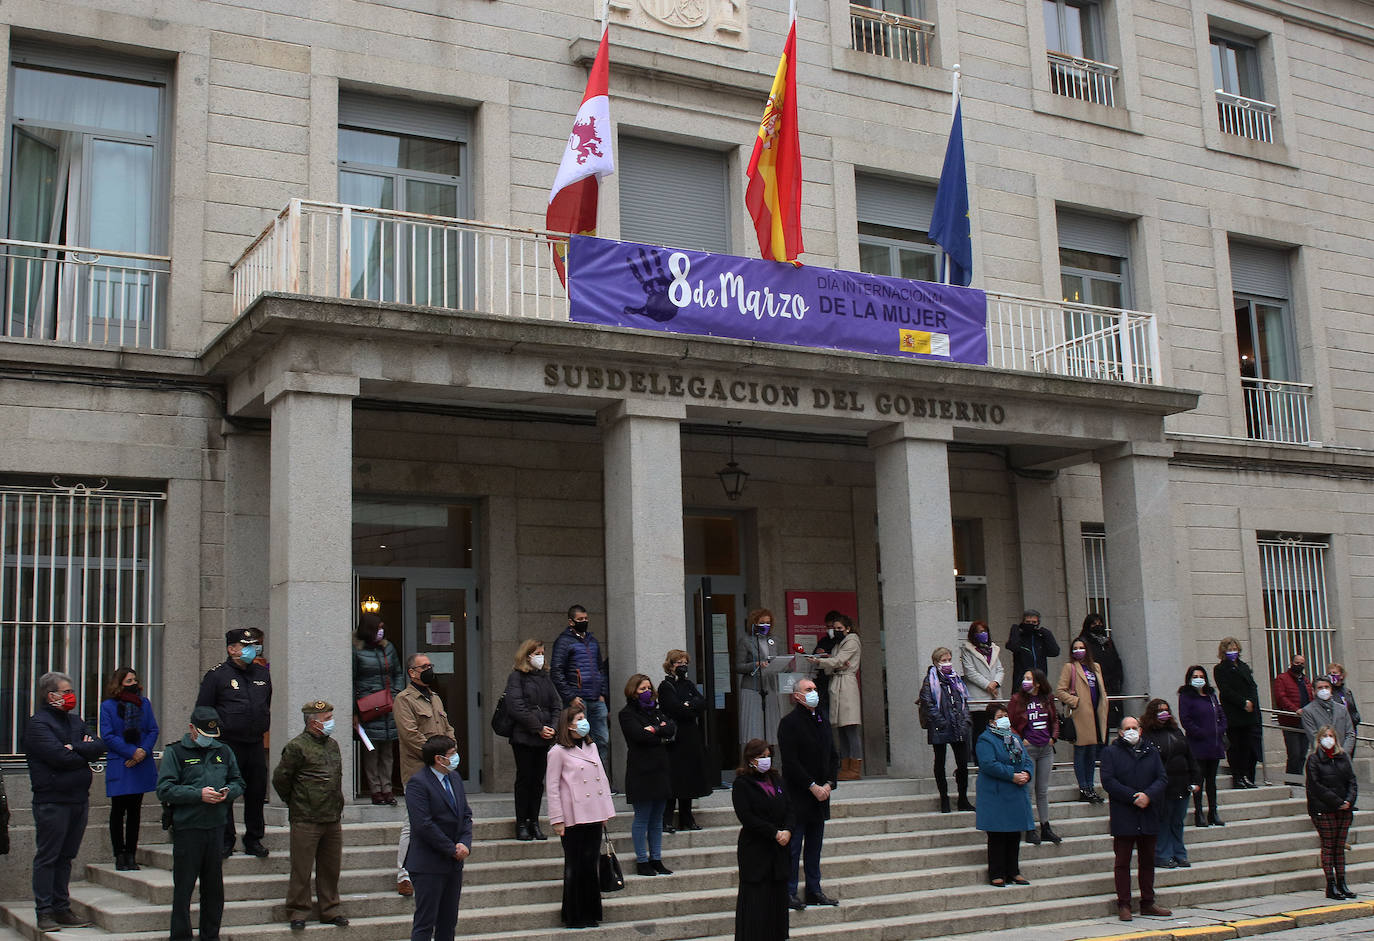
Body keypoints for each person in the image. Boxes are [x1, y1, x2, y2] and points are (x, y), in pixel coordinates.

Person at [25, 670, 106, 932]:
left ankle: (62, 907)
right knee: (48, 857)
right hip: (52, 801)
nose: (71, 696)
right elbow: (60, 758)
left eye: (71, 691)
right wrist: (78, 750)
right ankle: (44, 911)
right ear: (51, 696)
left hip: (78, 799)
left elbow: (98, 745)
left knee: (66, 856)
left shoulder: (75, 721)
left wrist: (77, 747)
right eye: (66, 692)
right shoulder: (38, 724)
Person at [157, 706, 245, 941]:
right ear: (192, 729)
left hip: (216, 827)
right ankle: (181, 936)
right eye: (204, 734)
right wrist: (198, 794)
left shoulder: (224, 751)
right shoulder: (176, 752)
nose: (209, 739)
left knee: (214, 889)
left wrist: (229, 792)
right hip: (188, 828)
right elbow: (165, 789)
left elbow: (238, 781)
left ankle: (210, 935)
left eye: (212, 735)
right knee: (184, 888)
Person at [196, 626, 272, 858]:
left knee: (256, 792)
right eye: (245, 646)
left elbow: (265, 704)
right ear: (232, 649)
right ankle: (225, 840)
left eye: (252, 646)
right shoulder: (217, 675)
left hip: (254, 742)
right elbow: (202, 711)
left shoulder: (262, 674)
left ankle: (254, 838)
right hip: (227, 744)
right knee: (226, 792)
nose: (251, 650)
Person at [272, 700, 348, 930]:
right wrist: (295, 802)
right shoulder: (296, 747)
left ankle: (330, 909)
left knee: (330, 868)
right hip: (306, 817)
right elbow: (280, 779)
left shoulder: (332, 745)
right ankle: (298, 911)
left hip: (331, 816)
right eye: (327, 719)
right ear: (313, 723)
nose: (331, 723)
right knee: (302, 868)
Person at [545, 705, 615, 930]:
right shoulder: (557, 751)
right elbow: (553, 787)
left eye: (584, 717)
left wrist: (605, 811)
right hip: (572, 815)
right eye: (579, 718)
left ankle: (591, 912)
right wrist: (557, 819)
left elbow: (601, 779)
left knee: (590, 863)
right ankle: (574, 914)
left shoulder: (591, 745)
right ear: (568, 724)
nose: (584, 722)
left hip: (594, 813)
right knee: (575, 865)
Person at [393, 652, 455, 897]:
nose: (430, 669)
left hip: (441, 769)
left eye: (431, 665)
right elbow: (410, 735)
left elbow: (447, 728)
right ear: (412, 672)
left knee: (439, 820)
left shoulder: (436, 698)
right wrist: (436, 757)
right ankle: (403, 874)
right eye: (424, 666)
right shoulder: (404, 699)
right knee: (413, 823)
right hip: (418, 771)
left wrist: (451, 750)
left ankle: (432, 867)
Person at [776, 677, 840, 911]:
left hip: (822, 794)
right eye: (808, 689)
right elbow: (791, 762)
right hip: (799, 794)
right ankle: (789, 891)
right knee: (794, 847)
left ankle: (814, 889)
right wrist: (812, 785)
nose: (813, 692)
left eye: (814, 688)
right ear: (797, 696)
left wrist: (829, 784)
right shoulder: (789, 723)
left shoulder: (822, 719)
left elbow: (833, 755)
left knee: (815, 847)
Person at [1099, 717, 1171, 922]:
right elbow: (1109, 781)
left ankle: (1148, 902)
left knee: (1147, 860)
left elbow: (1162, 778)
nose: (1131, 731)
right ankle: (1124, 904)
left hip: (1148, 812)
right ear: (1120, 732)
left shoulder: (1151, 751)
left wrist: (1148, 795)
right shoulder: (1111, 752)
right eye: (1127, 728)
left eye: (1134, 728)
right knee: (1122, 862)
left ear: (1140, 730)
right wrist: (1132, 797)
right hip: (1125, 814)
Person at [404, 735, 473, 941]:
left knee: (448, 922)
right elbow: (423, 824)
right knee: (425, 922)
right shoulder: (418, 783)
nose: (456, 758)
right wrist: (451, 849)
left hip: (453, 865)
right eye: (452, 754)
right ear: (438, 759)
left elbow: (466, 815)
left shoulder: (454, 778)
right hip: (428, 864)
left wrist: (464, 843)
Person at [99, 666, 160, 871]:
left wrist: (142, 751)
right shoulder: (108, 706)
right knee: (118, 811)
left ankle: (131, 854)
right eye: (128, 681)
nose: (133, 684)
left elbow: (152, 729)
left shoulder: (144, 703)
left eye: (134, 680)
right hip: (121, 762)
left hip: (140, 762)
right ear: (119, 684)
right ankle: (119, 854)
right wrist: (131, 752)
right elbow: (107, 735)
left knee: (135, 811)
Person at [732, 738, 792, 941]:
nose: (766, 761)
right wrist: (774, 833)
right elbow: (747, 817)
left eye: (768, 757)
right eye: (761, 757)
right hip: (756, 851)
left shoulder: (777, 780)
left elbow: (790, 808)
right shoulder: (742, 784)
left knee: (778, 903)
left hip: (779, 852)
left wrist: (788, 831)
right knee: (757, 904)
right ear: (750, 759)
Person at [619, 673, 677, 875]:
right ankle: (642, 860)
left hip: (660, 769)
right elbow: (638, 736)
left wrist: (654, 730)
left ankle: (656, 858)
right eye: (642, 689)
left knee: (657, 818)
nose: (647, 692)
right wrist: (658, 733)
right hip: (641, 771)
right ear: (633, 691)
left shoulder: (657, 711)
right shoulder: (627, 713)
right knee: (642, 817)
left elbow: (670, 729)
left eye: (648, 689)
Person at [504, 638, 561, 841]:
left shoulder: (545, 678)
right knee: (525, 779)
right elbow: (516, 707)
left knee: (538, 781)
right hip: (524, 736)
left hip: (544, 737)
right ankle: (521, 822)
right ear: (527, 655)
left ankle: (534, 821)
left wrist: (552, 728)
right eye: (537, 653)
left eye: (542, 652)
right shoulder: (517, 677)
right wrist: (538, 728)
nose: (541, 656)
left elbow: (556, 704)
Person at [975, 703, 1035, 887]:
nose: (1004, 719)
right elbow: (988, 764)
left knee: (1014, 834)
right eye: (1000, 716)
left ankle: (1013, 871)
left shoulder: (1014, 737)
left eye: (1005, 715)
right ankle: (997, 873)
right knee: (998, 835)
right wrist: (1011, 775)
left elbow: (1026, 759)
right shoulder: (985, 739)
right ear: (992, 721)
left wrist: (1026, 773)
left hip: (1016, 792)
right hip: (997, 793)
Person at [1140, 698, 1199, 870]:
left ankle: (1179, 854)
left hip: (1182, 783)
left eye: (1166, 710)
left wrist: (1195, 779)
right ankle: (1163, 854)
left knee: (1177, 821)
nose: (1164, 713)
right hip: (1163, 787)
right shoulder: (1148, 735)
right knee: (1164, 821)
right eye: (1159, 710)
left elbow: (1190, 756)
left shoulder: (1176, 732)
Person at [352, 612, 404, 805]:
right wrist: (354, 710)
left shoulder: (388, 648)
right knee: (372, 749)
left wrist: (396, 694)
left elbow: (397, 672)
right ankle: (375, 790)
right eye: (378, 627)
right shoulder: (356, 650)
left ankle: (388, 789)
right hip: (368, 706)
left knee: (388, 750)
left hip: (388, 704)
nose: (381, 631)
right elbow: (352, 679)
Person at [658, 649, 713, 833]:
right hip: (675, 738)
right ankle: (666, 819)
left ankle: (687, 818)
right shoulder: (666, 686)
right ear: (670, 665)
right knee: (674, 778)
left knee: (689, 778)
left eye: (684, 662)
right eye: (678, 663)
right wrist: (688, 706)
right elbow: (674, 708)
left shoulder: (688, 684)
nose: (682, 666)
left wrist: (689, 705)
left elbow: (702, 702)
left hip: (691, 736)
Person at [551, 605, 610, 775]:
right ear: (571, 621)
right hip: (577, 701)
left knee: (602, 740)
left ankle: (601, 779)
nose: (584, 622)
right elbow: (556, 671)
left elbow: (600, 669)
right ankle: (581, 778)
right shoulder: (563, 642)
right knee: (576, 739)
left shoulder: (592, 641)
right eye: (580, 620)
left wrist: (602, 694)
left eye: (586, 619)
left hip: (596, 699)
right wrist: (570, 697)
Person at [1305, 724, 1358, 900]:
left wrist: (1349, 801)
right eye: (1325, 736)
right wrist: (1337, 802)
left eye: (1331, 736)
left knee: (1339, 847)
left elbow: (1352, 780)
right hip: (1324, 808)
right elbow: (1315, 785)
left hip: (1344, 808)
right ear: (1319, 739)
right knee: (1329, 846)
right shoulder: (1314, 760)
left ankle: (1342, 882)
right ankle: (1331, 885)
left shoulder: (1342, 757)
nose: (1328, 739)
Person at [917, 646, 973, 814]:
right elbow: (928, 703)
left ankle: (963, 798)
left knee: (963, 764)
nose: (947, 663)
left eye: (949, 659)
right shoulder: (930, 680)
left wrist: (966, 720)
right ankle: (944, 799)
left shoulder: (956, 679)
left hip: (958, 726)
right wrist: (941, 722)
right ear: (936, 662)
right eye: (943, 660)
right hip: (940, 727)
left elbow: (963, 702)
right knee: (939, 763)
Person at [1009, 668, 1061, 844]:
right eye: (1024, 678)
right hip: (1028, 749)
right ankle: (1029, 828)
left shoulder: (1047, 698)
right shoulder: (1017, 700)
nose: (1025, 681)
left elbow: (1054, 720)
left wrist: (1053, 737)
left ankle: (1045, 826)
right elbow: (1010, 724)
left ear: (1038, 683)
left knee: (1043, 790)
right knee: (1028, 790)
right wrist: (1021, 740)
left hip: (1045, 749)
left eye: (1029, 678)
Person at [1056, 636, 1109, 803]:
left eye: (1081, 647)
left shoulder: (1096, 667)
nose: (1078, 651)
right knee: (1081, 751)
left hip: (1095, 714)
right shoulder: (1070, 667)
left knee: (1092, 752)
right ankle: (1084, 787)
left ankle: (1091, 786)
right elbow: (1060, 691)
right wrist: (1075, 701)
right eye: (1075, 648)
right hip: (1080, 714)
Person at [812, 614, 863, 780]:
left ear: (848, 628)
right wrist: (832, 662)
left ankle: (854, 767)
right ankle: (845, 766)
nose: (836, 631)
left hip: (846, 685)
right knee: (841, 727)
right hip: (837, 682)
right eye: (834, 628)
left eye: (840, 628)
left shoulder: (852, 641)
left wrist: (823, 662)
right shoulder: (838, 643)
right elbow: (835, 663)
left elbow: (838, 660)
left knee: (850, 727)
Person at [1176, 665, 1227, 827]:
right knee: (1199, 780)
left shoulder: (1211, 695)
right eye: (1195, 676)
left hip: (1214, 743)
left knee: (1212, 781)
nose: (1199, 679)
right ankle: (1199, 812)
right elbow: (1185, 719)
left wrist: (1220, 729)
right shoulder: (1186, 696)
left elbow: (1221, 714)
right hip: (1197, 744)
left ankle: (1213, 812)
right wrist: (1200, 732)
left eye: (1201, 676)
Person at [1213, 637, 1262, 788]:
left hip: (1249, 714)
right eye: (1229, 650)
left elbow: (1253, 686)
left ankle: (1246, 775)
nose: (1232, 652)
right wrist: (1243, 702)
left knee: (1247, 747)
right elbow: (1226, 691)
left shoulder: (1244, 667)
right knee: (1236, 747)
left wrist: (1251, 702)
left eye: (1235, 649)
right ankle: (1237, 776)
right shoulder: (1220, 669)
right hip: (1234, 713)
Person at [737, 607, 782, 748]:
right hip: (752, 688)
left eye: (768, 623)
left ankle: (771, 760)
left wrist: (782, 665)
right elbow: (738, 666)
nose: (765, 626)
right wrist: (755, 664)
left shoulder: (774, 640)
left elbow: (777, 659)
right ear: (754, 623)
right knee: (754, 729)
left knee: (771, 729)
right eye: (762, 623)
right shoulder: (746, 641)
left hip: (770, 687)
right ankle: (755, 760)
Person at [959, 620, 1004, 748]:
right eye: (979, 632)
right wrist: (988, 685)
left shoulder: (993, 649)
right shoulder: (967, 650)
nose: (982, 634)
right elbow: (970, 672)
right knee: (980, 731)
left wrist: (995, 683)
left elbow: (1000, 669)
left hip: (994, 697)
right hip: (979, 698)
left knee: (997, 731)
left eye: (984, 631)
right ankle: (980, 761)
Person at [1081, 613, 1125, 729]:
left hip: (1111, 683)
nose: (1097, 626)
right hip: (1093, 682)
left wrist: (1118, 678)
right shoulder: (1083, 642)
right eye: (1094, 624)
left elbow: (1116, 660)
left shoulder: (1108, 642)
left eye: (1100, 623)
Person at [1273, 653, 1314, 778]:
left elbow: (1311, 697)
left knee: (1302, 753)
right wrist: (1295, 709)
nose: (1299, 666)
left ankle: (1298, 779)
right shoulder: (1282, 678)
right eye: (1297, 663)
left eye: (1302, 664)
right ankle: (1291, 780)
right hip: (1290, 720)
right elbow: (1281, 697)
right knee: (1294, 753)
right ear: (1291, 663)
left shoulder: (1306, 680)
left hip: (1305, 721)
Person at [1302, 676, 1356, 756]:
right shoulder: (1308, 711)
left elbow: (1350, 733)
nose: (1324, 690)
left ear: (1331, 689)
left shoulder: (1342, 708)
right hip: (1321, 758)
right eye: (1320, 688)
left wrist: (1343, 752)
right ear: (1314, 691)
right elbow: (1313, 735)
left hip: (1343, 757)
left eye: (1326, 687)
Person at [1007, 609, 1059, 682]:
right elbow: (1013, 647)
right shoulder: (1019, 637)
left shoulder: (1040, 638)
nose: (1030, 624)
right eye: (1027, 622)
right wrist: (1015, 631)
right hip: (1022, 680)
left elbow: (1055, 652)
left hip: (1040, 680)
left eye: (1034, 622)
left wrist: (1048, 634)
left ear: (1038, 623)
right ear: (1023, 622)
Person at [812, 611, 844, 720]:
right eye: (828, 626)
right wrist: (818, 653)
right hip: (822, 681)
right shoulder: (824, 640)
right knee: (822, 713)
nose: (830, 629)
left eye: (832, 626)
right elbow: (813, 657)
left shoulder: (843, 641)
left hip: (836, 679)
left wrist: (829, 656)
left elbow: (841, 660)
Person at [1328, 662, 1361, 755]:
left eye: (1334, 673)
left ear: (1341, 675)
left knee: (1349, 755)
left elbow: (1353, 709)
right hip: (1338, 729)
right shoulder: (1329, 692)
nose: (1332, 676)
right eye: (1330, 674)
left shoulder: (1347, 692)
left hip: (1350, 728)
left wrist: (1356, 718)